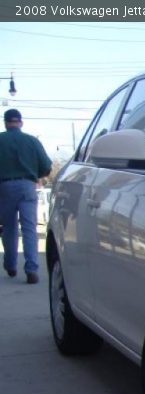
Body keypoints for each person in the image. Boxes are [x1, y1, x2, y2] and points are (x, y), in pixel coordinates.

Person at [0, 109, 52, 284]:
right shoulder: (32, 141)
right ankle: (31, 269)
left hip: (4, 186)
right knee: (29, 228)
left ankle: (10, 265)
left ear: (5, 123)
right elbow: (46, 167)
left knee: (9, 228)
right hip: (28, 186)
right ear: (20, 123)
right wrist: (34, 174)